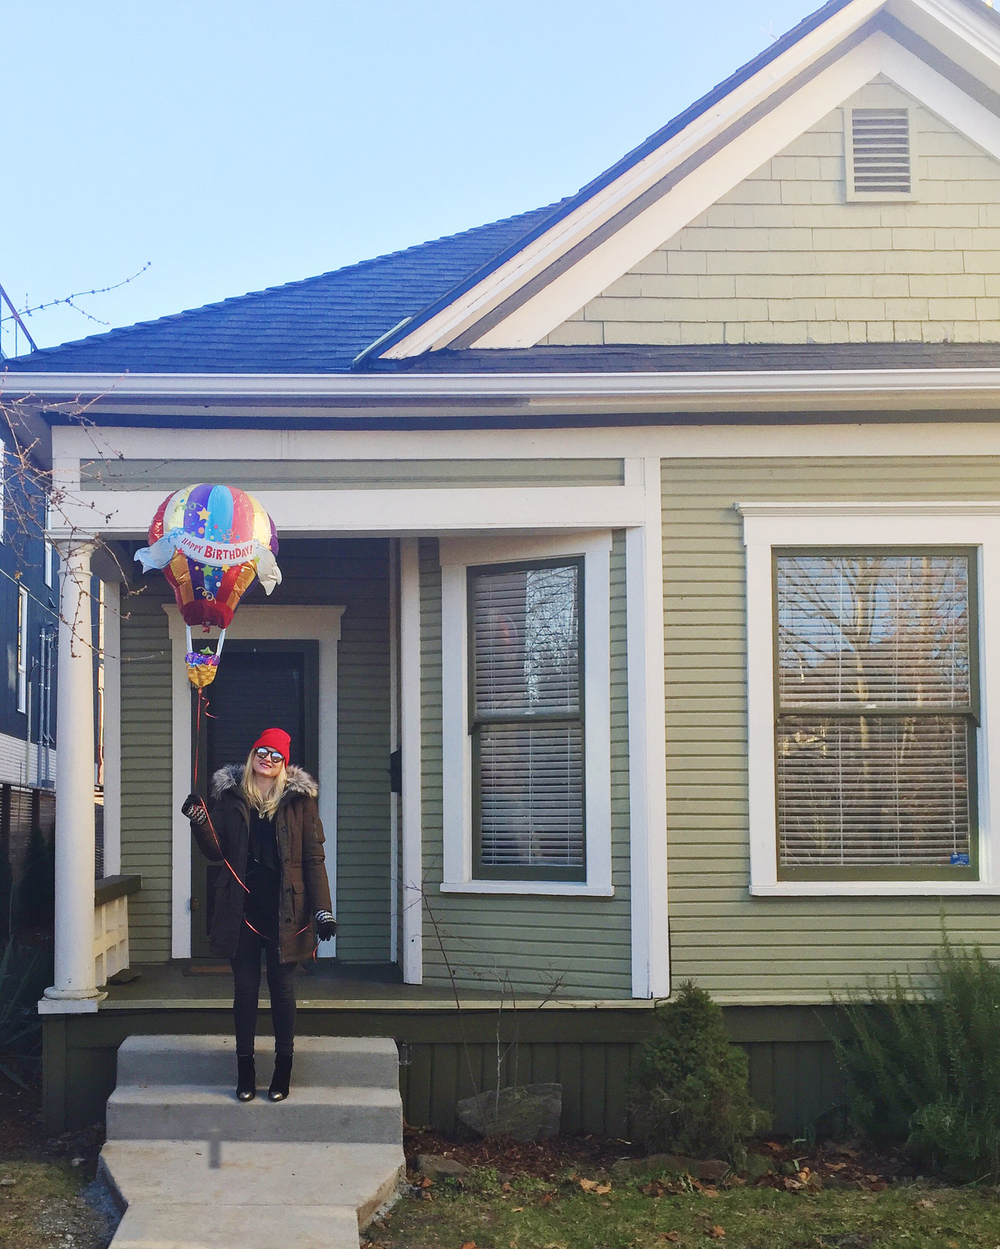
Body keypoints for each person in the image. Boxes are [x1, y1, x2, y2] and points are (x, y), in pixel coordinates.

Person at [182, 728, 337, 1102]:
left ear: (285, 763)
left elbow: (314, 860)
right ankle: (246, 1073)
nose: (267, 759)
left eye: (276, 755)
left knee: (283, 992)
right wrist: (199, 821)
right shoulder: (231, 797)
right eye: (262, 751)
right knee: (245, 992)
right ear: (253, 754)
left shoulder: (300, 803)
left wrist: (323, 911)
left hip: (286, 911)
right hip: (242, 909)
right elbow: (214, 851)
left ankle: (282, 1073)